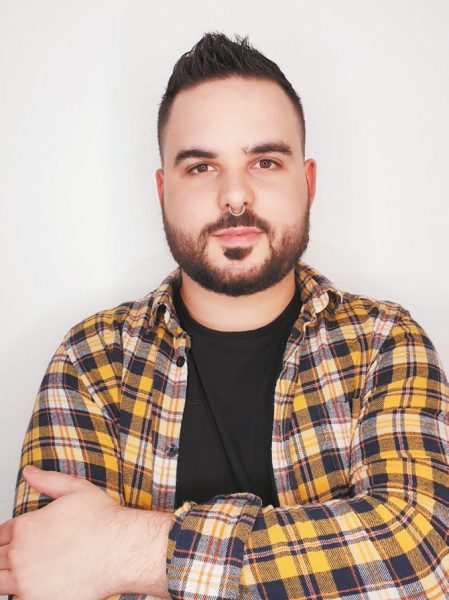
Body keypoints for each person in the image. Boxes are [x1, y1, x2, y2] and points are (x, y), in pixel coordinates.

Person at [1, 32, 448, 600]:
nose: (235, 197)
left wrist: (126, 549)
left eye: (265, 161)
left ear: (307, 183)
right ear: (163, 191)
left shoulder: (385, 342)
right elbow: (46, 572)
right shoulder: (91, 362)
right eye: (201, 167)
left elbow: (419, 555)